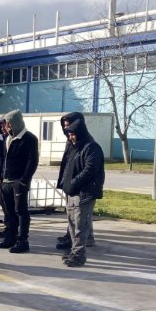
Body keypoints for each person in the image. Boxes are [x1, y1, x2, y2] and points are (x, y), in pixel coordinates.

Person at [57, 112, 105, 267]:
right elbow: (68, 167)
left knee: (80, 226)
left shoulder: (91, 147)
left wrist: (73, 183)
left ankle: (79, 255)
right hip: (72, 192)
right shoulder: (74, 147)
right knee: (71, 223)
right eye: (69, 134)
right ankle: (74, 251)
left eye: (72, 134)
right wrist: (65, 184)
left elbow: (90, 169)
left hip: (84, 193)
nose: (70, 137)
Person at [0, 110, 39, 253]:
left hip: (19, 181)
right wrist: (0, 177)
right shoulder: (8, 139)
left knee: (21, 211)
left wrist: (24, 180)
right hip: (6, 181)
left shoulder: (30, 138)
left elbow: (32, 161)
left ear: (15, 123)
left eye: (8, 124)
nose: (6, 127)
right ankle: (10, 237)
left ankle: (23, 240)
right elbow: (3, 159)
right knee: (8, 211)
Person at [56, 115, 97, 248]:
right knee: (72, 214)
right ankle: (71, 237)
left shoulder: (88, 144)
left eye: (68, 125)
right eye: (64, 125)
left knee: (80, 216)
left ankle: (80, 244)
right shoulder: (71, 140)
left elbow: (89, 168)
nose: (66, 128)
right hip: (70, 183)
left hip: (80, 187)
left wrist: (73, 183)